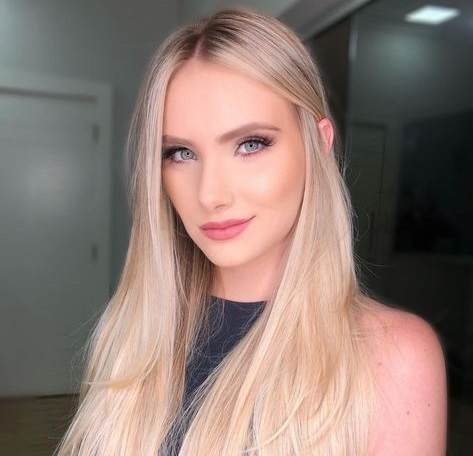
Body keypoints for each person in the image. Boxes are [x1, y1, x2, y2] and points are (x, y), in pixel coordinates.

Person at [57, 8, 447, 456]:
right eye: (181, 153)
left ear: (319, 144)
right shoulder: (132, 332)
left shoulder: (392, 357)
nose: (210, 194)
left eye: (250, 144)